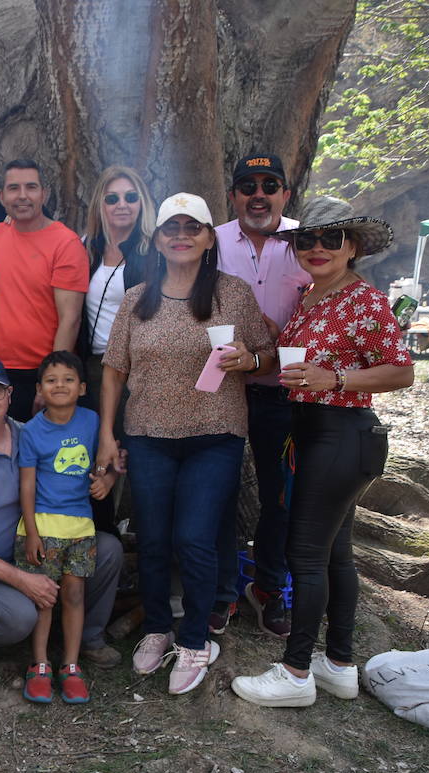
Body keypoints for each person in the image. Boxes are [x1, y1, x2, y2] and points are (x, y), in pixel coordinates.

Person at [232, 204, 412, 707]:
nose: (317, 248)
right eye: (307, 239)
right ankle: (337, 664)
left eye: (331, 239)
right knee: (334, 553)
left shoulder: (364, 300)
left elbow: (401, 371)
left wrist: (335, 378)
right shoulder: (312, 297)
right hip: (313, 435)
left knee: (305, 553)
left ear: (352, 246)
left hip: (342, 434)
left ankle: (294, 672)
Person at [96, 193, 276, 695]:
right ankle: (157, 628)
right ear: (157, 239)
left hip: (214, 436)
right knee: (152, 539)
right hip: (149, 435)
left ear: (207, 238)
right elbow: (113, 372)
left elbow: (268, 356)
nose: (180, 234)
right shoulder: (137, 298)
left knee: (194, 538)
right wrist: (108, 436)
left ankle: (195, 638)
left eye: (191, 227)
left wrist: (249, 360)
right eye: (171, 226)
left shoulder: (232, 294)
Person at [0, 355, 125, 672]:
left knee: (109, 550)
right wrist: (21, 580)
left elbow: (81, 465)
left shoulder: (28, 434)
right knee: (18, 619)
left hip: (46, 547)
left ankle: (88, 637)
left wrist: (108, 471)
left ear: (9, 394)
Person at [212, 152, 311, 637]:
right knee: (217, 493)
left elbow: (322, 309)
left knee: (280, 499)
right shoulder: (212, 242)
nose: (258, 194)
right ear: (232, 196)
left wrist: (280, 337)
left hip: (282, 392)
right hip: (221, 388)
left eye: (270, 185)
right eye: (247, 185)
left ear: (285, 194)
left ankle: (269, 588)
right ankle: (221, 590)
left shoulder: (307, 241)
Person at [16, 351, 116, 704]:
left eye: (68, 379)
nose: (60, 385)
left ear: (83, 387)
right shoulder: (30, 432)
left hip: (81, 528)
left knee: (74, 595)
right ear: (40, 389)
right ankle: (39, 664)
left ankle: (70, 666)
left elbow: (111, 462)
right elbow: (26, 485)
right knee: (44, 598)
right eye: (52, 380)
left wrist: (109, 481)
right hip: (42, 525)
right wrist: (30, 531)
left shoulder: (92, 422)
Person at [0, 159, 90, 421]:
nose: (22, 196)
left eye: (31, 187)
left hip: (41, 371)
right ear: (2, 196)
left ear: (45, 193)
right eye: (13, 188)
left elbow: (71, 319)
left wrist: (51, 381)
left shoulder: (66, 243)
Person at [79, 166, 156, 406]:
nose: (122, 204)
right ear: (100, 205)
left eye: (131, 197)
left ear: (141, 202)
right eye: (112, 199)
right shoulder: (86, 248)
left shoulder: (155, 250)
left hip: (138, 367)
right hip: (92, 365)